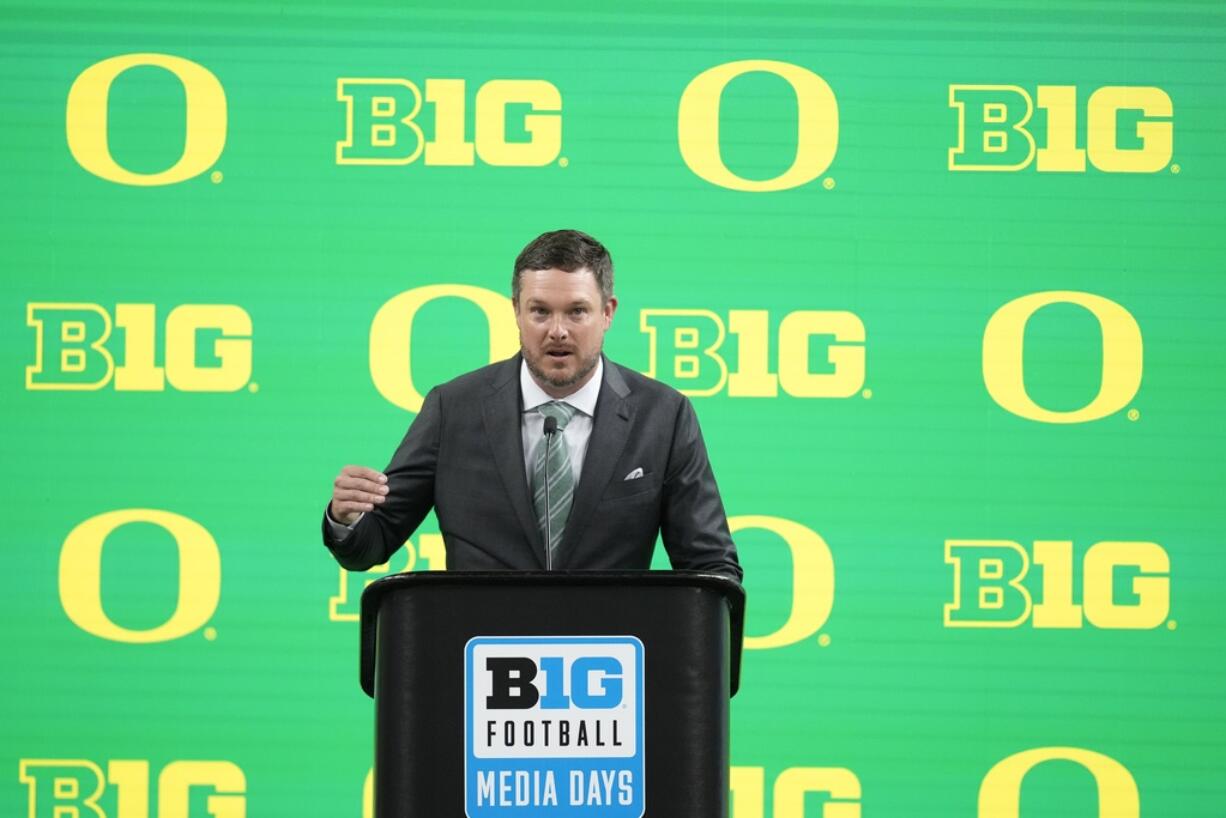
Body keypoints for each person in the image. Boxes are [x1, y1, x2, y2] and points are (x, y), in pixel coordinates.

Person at [322, 229, 741, 581]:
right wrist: (346, 519)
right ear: (516, 312)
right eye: (540, 312)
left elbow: (710, 565)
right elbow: (370, 544)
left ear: (608, 313)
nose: (557, 331)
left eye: (577, 312)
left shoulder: (662, 416)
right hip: (479, 658)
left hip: (608, 663)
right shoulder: (453, 409)